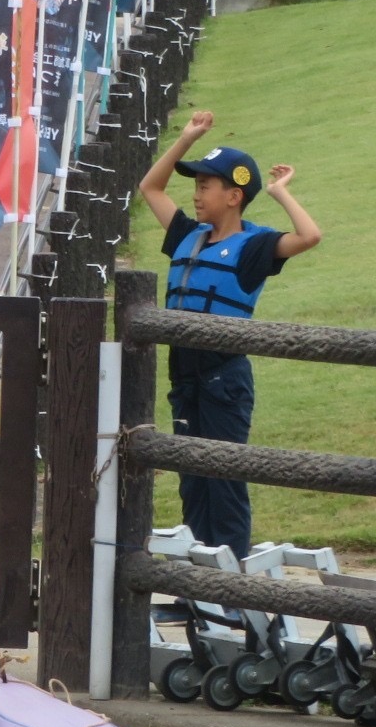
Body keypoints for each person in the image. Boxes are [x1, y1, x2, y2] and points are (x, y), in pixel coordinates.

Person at [137, 111, 320, 562]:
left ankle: (229, 591)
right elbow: (150, 188)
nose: (196, 194)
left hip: (224, 381)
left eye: (204, 186)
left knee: (224, 482)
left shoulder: (255, 248)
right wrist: (185, 138)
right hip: (185, 380)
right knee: (192, 482)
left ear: (234, 195)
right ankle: (196, 589)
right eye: (196, 185)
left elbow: (309, 235)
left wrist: (279, 192)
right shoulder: (187, 235)